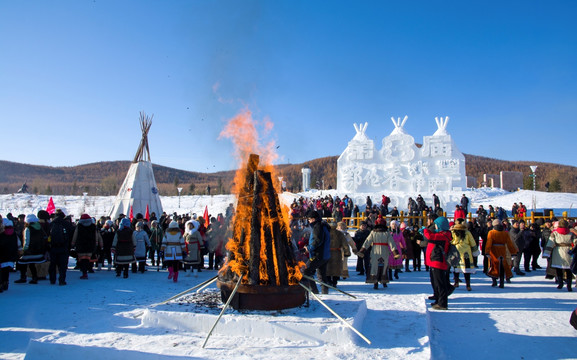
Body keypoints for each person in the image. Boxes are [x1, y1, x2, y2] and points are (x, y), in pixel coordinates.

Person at [357, 217, 399, 289]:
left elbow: (367, 242)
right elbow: (392, 243)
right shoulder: (387, 233)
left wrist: (362, 251)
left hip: (375, 250)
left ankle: (375, 282)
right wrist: (395, 253)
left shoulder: (373, 232)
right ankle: (384, 281)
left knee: (374, 266)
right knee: (384, 265)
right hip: (384, 250)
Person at [423, 216, 452, 310]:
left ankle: (443, 303)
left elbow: (430, 237)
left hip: (438, 261)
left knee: (440, 283)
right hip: (436, 261)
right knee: (437, 282)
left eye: (435, 225)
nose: (434, 227)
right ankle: (439, 300)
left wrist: (425, 230)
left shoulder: (443, 235)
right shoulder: (443, 234)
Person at [301, 210, 331, 294]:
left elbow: (317, 241)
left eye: (309, 219)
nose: (309, 221)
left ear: (314, 219)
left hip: (318, 255)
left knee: (306, 271)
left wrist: (308, 248)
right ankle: (325, 293)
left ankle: (314, 291)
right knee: (321, 275)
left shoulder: (317, 227)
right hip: (325, 255)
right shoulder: (323, 225)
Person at [543, 219, 576, 291]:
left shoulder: (555, 233)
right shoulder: (571, 233)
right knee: (568, 269)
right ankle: (569, 286)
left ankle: (560, 283)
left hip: (558, 251)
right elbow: (575, 242)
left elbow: (550, 243)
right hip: (568, 251)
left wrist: (546, 253)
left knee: (559, 269)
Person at [15, 214, 48, 284]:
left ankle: (23, 277)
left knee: (22, 263)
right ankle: (34, 277)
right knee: (32, 264)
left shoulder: (28, 228)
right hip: (38, 250)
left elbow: (27, 240)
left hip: (29, 250)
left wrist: (24, 249)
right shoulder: (39, 227)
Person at [485, 219, 518, 288]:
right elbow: (509, 244)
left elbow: (489, 243)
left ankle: (494, 281)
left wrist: (487, 251)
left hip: (493, 250)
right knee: (502, 265)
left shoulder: (491, 232)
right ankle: (502, 282)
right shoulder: (505, 233)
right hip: (502, 250)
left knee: (494, 265)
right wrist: (513, 252)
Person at [71, 214, 103, 280]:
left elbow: (75, 235)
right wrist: (97, 243)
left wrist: (73, 243)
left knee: (82, 259)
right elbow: (96, 235)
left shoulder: (79, 226)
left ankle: (84, 272)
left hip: (81, 245)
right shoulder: (93, 226)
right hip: (90, 245)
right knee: (88, 258)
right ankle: (89, 268)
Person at [48, 209, 73, 285]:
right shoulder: (66, 224)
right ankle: (62, 280)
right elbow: (71, 235)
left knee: (52, 264)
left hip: (53, 247)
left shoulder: (52, 224)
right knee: (62, 265)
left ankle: (52, 279)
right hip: (64, 247)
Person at [451, 222, 477, 291]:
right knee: (467, 269)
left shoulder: (453, 233)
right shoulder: (467, 233)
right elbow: (472, 242)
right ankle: (468, 285)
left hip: (456, 250)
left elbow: (451, 241)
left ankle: (456, 282)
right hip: (466, 252)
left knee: (456, 267)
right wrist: (475, 250)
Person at [325, 222, 351, 288]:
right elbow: (345, 244)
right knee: (336, 268)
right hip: (337, 252)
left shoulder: (325, 233)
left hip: (327, 252)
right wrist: (347, 252)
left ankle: (328, 281)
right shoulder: (340, 234)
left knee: (328, 268)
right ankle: (334, 282)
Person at [0, 218, 22, 292]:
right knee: (6, 270)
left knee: (1, 270)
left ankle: (1, 283)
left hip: (2, 255)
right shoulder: (14, 234)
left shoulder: (2, 235)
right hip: (11, 255)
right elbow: (18, 244)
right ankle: (6, 282)